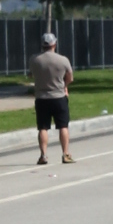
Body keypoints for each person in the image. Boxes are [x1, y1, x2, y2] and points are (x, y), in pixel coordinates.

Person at [31, 29, 74, 165]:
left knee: (43, 127)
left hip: (41, 97)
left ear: (42, 45)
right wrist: (64, 85)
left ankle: (43, 155)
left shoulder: (35, 60)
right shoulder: (63, 60)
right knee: (63, 126)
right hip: (59, 96)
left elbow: (31, 75)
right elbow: (70, 78)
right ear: (54, 44)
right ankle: (65, 154)